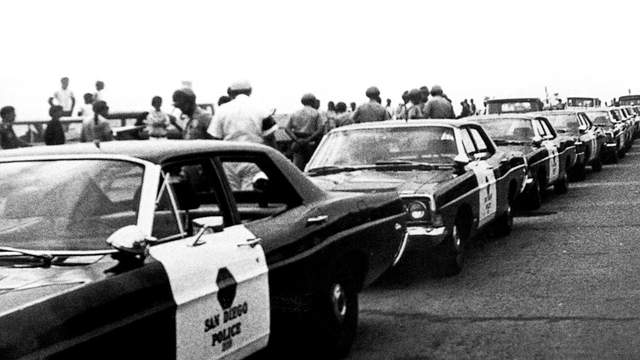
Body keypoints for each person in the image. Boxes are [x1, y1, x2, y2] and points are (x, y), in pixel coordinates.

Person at [207, 80, 277, 146]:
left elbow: (215, 137)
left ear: (230, 92)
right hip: (256, 154)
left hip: (228, 155)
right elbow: (270, 137)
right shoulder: (262, 109)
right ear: (250, 91)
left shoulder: (221, 110)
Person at [286, 93, 324, 169]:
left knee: (297, 167)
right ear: (313, 101)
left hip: (297, 143)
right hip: (311, 143)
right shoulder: (316, 113)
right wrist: (307, 140)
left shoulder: (295, 113)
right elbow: (320, 130)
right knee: (311, 166)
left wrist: (297, 140)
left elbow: (287, 129)